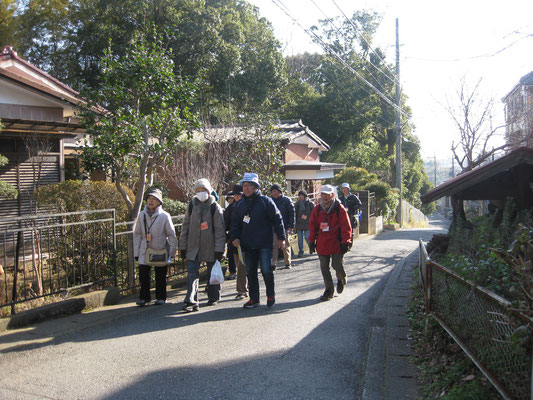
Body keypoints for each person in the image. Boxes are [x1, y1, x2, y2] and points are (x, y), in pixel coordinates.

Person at [231, 173, 285, 308]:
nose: (247, 188)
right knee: (251, 272)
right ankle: (254, 299)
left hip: (265, 243)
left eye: (250, 185)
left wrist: (281, 238)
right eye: (245, 185)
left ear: (256, 187)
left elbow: (278, 219)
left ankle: (270, 295)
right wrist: (235, 237)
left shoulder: (266, 201)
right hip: (248, 245)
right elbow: (235, 223)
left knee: (266, 270)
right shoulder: (240, 204)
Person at [180, 178, 226, 312]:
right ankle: (192, 301)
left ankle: (214, 296)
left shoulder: (215, 207)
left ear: (208, 191)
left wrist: (219, 249)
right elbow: (185, 228)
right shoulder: (191, 206)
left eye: (203, 190)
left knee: (212, 273)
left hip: (211, 246)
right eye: (198, 190)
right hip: (193, 246)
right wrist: (183, 247)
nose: (201, 193)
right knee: (192, 274)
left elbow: (220, 230)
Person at [133, 188, 178, 306]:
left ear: (159, 202)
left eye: (154, 199)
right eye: (149, 198)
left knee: (160, 275)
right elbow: (137, 234)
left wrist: (172, 253)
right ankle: (144, 298)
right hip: (145, 249)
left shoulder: (164, 216)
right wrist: (136, 253)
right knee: (143, 275)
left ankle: (161, 297)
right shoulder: (142, 215)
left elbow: (171, 235)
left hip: (160, 249)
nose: (151, 201)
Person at [308, 185, 352, 301]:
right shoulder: (317, 209)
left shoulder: (339, 208)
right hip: (322, 244)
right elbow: (313, 226)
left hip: (337, 243)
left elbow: (346, 226)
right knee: (324, 268)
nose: (325, 197)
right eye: (323, 194)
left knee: (336, 265)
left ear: (332, 195)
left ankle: (341, 278)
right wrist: (311, 242)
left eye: (327, 194)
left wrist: (346, 242)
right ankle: (329, 290)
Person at [229, 184, 248, 300]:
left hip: (248, 240)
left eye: (238, 195)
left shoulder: (249, 205)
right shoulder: (231, 208)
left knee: (245, 266)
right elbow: (227, 223)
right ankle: (242, 290)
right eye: (235, 195)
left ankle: (245, 290)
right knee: (240, 266)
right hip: (235, 241)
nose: (236, 197)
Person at [270, 183, 295, 269]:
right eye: (273, 191)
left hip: (285, 227)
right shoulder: (270, 201)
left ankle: (288, 262)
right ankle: (273, 263)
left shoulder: (286, 200)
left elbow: (292, 214)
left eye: (276, 191)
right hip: (273, 228)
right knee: (274, 246)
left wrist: (291, 226)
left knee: (285, 245)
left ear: (280, 191)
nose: (274, 193)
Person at [294, 189, 315, 257]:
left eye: (302, 195)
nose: (300, 197)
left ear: (305, 196)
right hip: (299, 223)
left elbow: (314, 212)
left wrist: (310, 219)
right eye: (299, 195)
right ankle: (301, 251)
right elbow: (294, 214)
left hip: (308, 223)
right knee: (300, 239)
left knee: (307, 237)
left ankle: (311, 247)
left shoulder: (310, 203)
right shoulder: (297, 204)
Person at [223, 191, 237, 281]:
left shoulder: (239, 206)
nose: (230, 200)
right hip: (231, 235)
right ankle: (232, 272)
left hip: (239, 235)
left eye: (232, 198)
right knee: (231, 255)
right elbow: (225, 223)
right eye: (229, 198)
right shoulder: (228, 209)